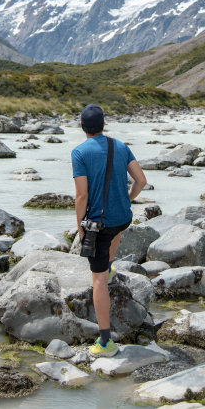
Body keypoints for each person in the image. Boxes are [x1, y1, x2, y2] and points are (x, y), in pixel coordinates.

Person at [71, 103, 147, 357]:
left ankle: (105, 343)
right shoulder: (121, 146)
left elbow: (81, 196)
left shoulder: (79, 152)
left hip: (99, 223)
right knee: (115, 231)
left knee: (98, 279)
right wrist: (128, 197)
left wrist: (80, 226)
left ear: (82, 126)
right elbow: (141, 181)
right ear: (104, 125)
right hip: (122, 217)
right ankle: (110, 263)